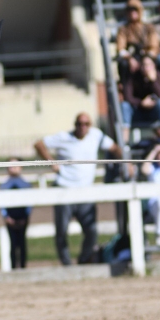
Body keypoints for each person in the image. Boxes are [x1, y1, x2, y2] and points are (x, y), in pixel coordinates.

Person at [34, 113, 122, 265]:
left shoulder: (97, 135)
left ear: (90, 125)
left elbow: (115, 148)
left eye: (86, 124)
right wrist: (52, 162)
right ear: (75, 124)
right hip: (64, 189)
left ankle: (83, 260)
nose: (83, 127)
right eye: (80, 124)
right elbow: (39, 144)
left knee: (92, 231)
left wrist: (125, 163)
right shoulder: (63, 137)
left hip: (85, 192)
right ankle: (67, 264)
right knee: (61, 231)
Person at [121, 54, 160, 136]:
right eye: (144, 64)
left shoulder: (159, 76)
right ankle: (124, 140)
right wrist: (141, 103)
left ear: (154, 65)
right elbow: (127, 97)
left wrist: (153, 81)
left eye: (149, 64)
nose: (146, 67)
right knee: (124, 105)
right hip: (137, 111)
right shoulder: (134, 76)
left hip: (153, 111)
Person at [116, 0, 159, 84]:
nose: (132, 13)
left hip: (147, 56)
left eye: (135, 10)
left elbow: (154, 46)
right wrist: (129, 59)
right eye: (129, 10)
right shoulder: (123, 29)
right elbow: (120, 48)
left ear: (140, 11)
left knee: (155, 64)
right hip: (131, 58)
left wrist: (146, 60)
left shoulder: (149, 28)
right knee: (123, 64)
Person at [0, 159, 32, 269]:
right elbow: (2, 204)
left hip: (23, 217)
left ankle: (23, 266)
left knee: (22, 243)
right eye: (11, 166)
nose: (13, 168)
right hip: (10, 218)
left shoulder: (26, 184)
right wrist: (6, 217)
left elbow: (29, 203)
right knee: (13, 244)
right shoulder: (4, 186)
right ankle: (13, 267)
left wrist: (25, 217)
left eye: (16, 165)